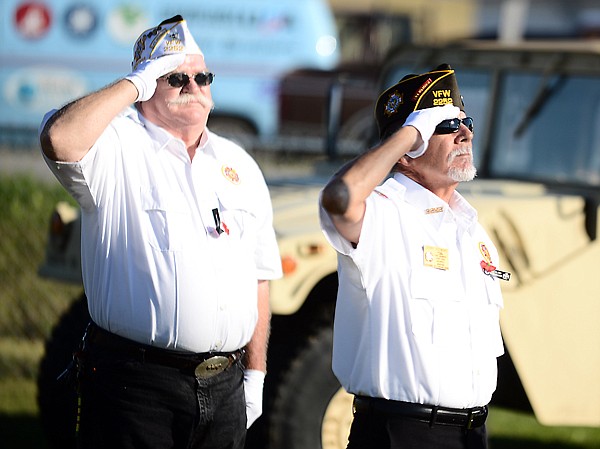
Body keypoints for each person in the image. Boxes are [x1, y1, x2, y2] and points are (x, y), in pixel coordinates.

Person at [39, 15, 282, 449]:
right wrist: (139, 79)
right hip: (136, 387)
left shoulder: (239, 164)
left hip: (225, 387)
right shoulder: (115, 146)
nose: (194, 85)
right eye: (176, 77)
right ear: (148, 85)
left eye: (202, 76)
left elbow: (259, 277)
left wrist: (256, 375)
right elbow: (60, 139)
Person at [319, 65, 509, 449]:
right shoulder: (386, 213)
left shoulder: (470, 227)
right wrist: (412, 130)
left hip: (472, 432)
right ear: (407, 152)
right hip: (403, 432)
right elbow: (340, 198)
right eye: (445, 126)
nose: (465, 133)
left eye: (465, 121)